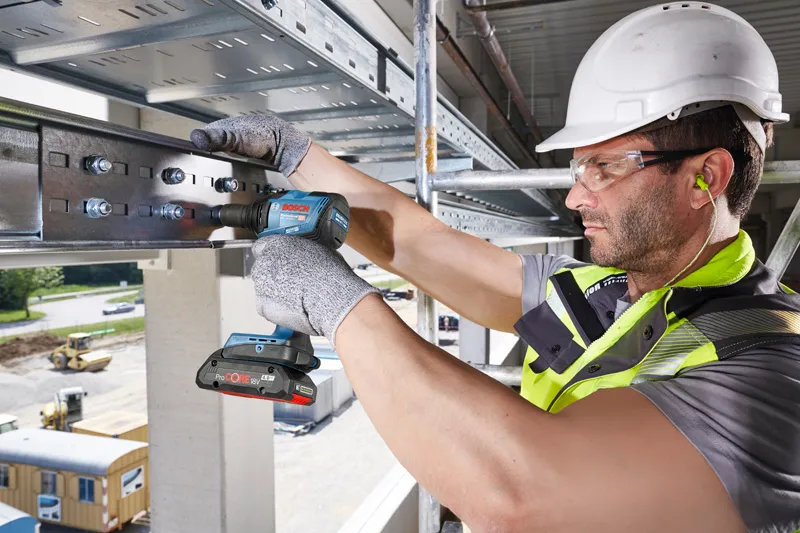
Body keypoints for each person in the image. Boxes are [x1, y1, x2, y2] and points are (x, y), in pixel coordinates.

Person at [191, 3, 800, 531]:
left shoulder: (773, 372)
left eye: (606, 168)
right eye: (577, 168)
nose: (574, 198)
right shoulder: (606, 295)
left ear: (706, 176)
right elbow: (423, 247)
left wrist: (336, 303)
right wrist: (297, 157)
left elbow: (523, 495)